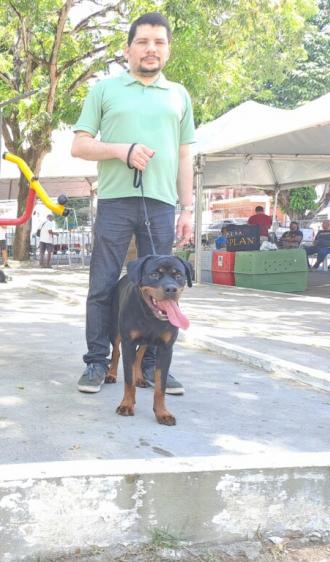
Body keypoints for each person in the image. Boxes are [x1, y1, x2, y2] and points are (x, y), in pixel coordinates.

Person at [71, 12, 195, 396]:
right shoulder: (105, 90)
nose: (150, 49)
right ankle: (96, 361)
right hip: (115, 201)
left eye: (159, 42)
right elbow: (79, 145)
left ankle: (154, 365)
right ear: (128, 49)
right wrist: (121, 150)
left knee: (162, 286)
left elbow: (185, 154)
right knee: (103, 285)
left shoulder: (179, 95)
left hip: (161, 204)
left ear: (168, 50)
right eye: (142, 42)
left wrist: (187, 208)